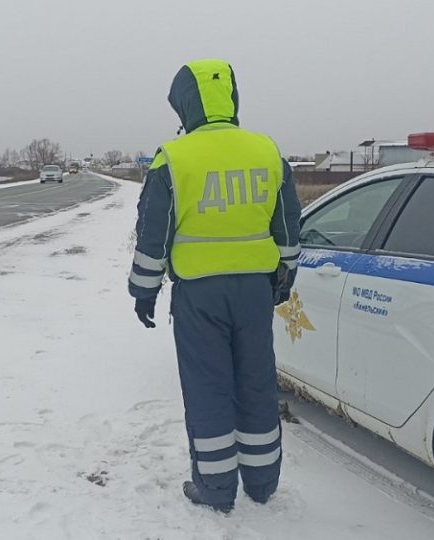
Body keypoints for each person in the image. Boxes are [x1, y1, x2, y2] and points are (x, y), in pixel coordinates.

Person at [128, 59, 302, 512]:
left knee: (209, 387)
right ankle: (262, 484)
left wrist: (144, 290)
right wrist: (283, 280)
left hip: (200, 296)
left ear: (186, 105)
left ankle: (216, 489)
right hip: (253, 292)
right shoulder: (267, 151)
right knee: (256, 382)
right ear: (231, 98)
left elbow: (153, 236)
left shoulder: (174, 157)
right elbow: (287, 228)